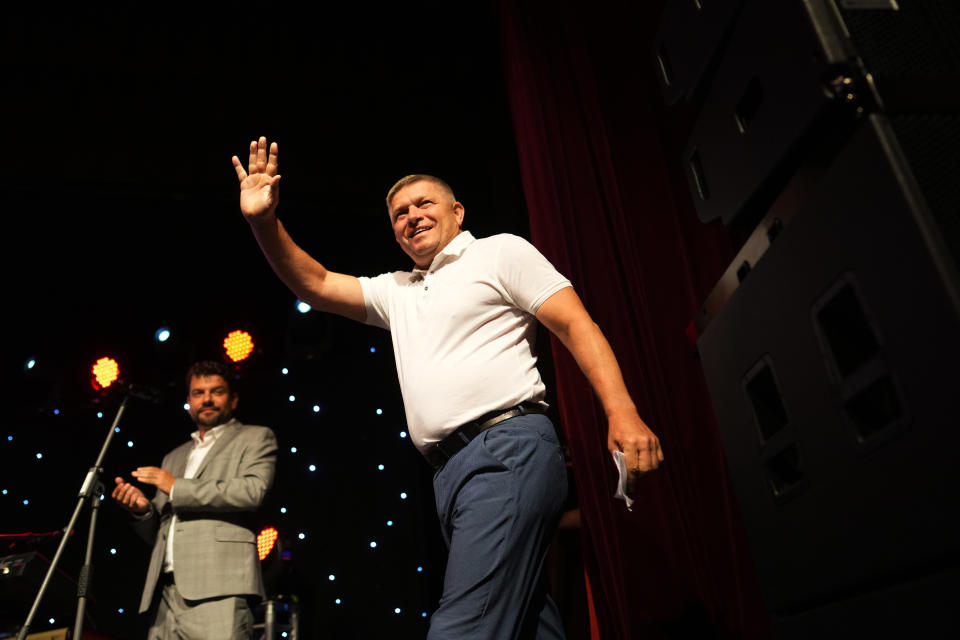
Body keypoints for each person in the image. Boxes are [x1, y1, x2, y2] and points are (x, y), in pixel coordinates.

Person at [232, 136, 663, 639]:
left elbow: (575, 325)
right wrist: (264, 222)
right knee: (523, 622)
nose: (411, 216)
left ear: (457, 211)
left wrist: (622, 411)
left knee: (463, 626)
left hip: (507, 450)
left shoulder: (498, 253)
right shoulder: (397, 290)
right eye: (399, 213)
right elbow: (318, 283)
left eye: (423, 204)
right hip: (449, 475)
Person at [111, 360, 278, 640]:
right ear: (188, 402)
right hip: (164, 592)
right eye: (198, 393)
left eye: (217, 392)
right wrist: (143, 512)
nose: (207, 399)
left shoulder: (255, 437)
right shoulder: (174, 456)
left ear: (233, 400)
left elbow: (252, 490)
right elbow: (159, 532)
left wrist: (176, 487)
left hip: (220, 586)